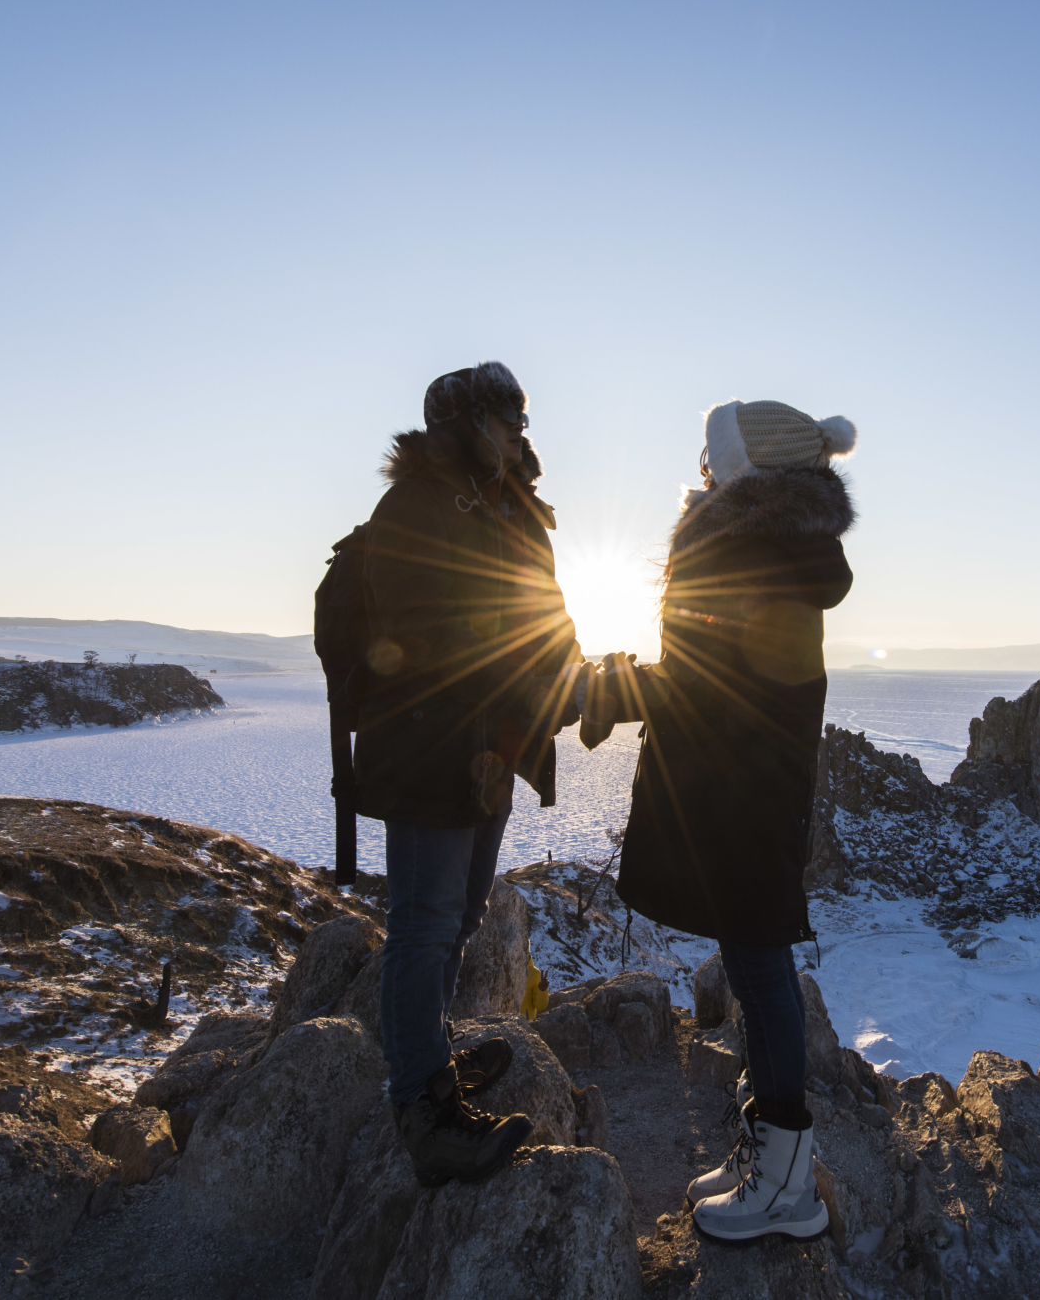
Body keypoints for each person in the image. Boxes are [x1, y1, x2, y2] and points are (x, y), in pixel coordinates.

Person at [592, 398, 857, 1243]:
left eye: (715, 460)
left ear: (748, 474)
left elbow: (712, 686)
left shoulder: (760, 557)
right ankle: (769, 1150)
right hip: (748, 788)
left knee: (762, 968)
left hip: (748, 794)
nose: (702, 472)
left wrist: (612, 686)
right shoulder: (772, 549)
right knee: (752, 968)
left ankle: (786, 1186)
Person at [349, 362, 584, 1187]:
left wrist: (569, 681)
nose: (524, 431)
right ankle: (420, 1105)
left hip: (486, 749)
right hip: (426, 748)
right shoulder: (416, 504)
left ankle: (431, 1051)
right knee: (422, 919)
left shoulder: (505, 506)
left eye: (524, 418)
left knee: (459, 915)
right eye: (510, 418)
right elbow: (427, 635)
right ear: (469, 422)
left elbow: (540, 611)